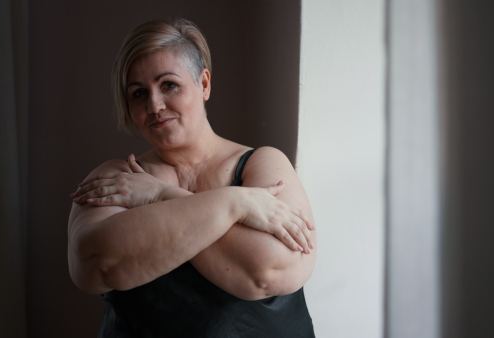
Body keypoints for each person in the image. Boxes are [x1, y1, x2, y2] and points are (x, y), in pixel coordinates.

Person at [68, 18, 317, 337]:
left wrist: (160, 196)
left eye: (168, 85)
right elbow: (96, 264)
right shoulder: (118, 177)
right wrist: (234, 204)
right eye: (138, 93)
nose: (154, 105)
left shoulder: (263, 164)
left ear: (203, 84)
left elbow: (267, 272)